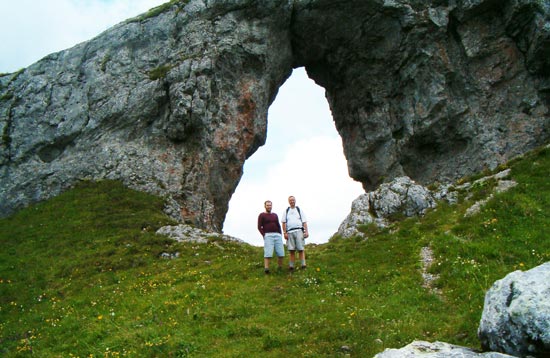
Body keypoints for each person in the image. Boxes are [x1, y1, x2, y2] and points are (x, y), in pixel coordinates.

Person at [282, 195, 308, 271]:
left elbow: (304, 221)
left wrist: (306, 231)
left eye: (293, 200)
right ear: (288, 201)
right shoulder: (286, 211)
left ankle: (303, 265)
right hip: (289, 232)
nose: (292, 201)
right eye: (290, 200)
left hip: (299, 230)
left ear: (295, 201)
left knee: (301, 249)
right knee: (291, 250)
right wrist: (284, 233)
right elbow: (283, 222)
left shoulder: (299, 210)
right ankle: (291, 266)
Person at [257, 200, 284, 274]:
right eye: (267, 205)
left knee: (281, 253)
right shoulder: (262, 215)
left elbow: (278, 224)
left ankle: (280, 267)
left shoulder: (275, 215)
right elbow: (259, 227)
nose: (269, 206)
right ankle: (266, 269)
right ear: (265, 206)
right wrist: (264, 235)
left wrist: (280, 234)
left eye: (270, 205)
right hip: (268, 235)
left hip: (277, 235)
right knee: (268, 253)